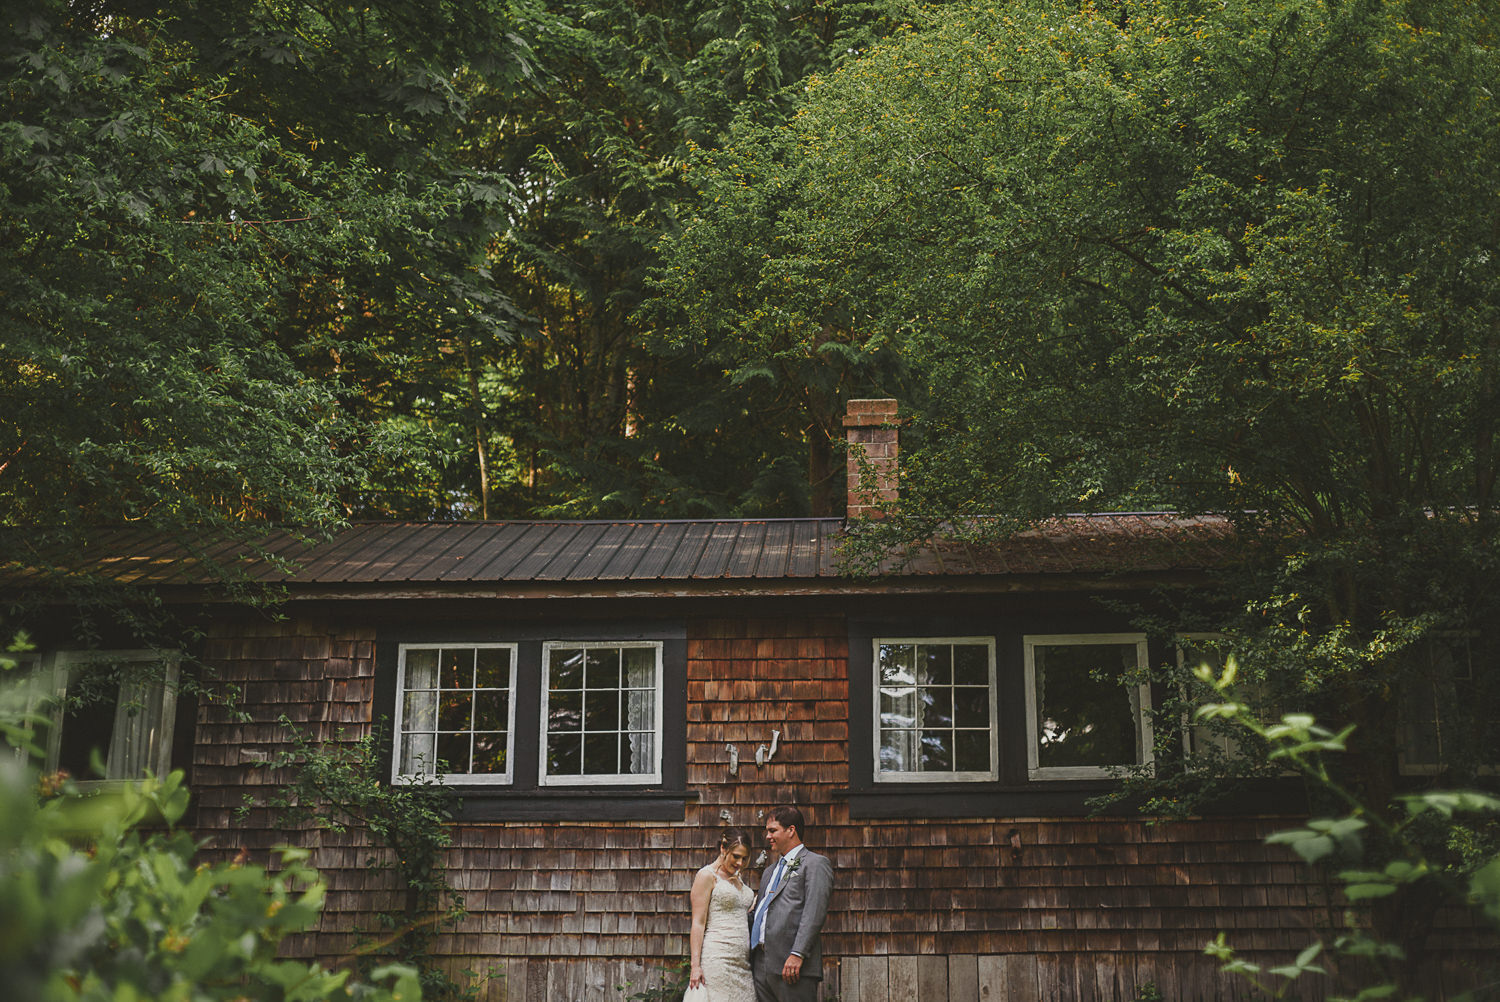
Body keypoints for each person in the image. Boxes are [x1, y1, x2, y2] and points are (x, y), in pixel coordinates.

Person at [749, 806, 834, 1002]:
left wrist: (798, 953)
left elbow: (814, 912)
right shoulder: (770, 871)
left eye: (773, 830)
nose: (767, 836)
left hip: (793, 965)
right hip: (762, 964)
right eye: (767, 831)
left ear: (791, 830)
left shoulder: (814, 864)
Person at [689, 828, 757, 1002]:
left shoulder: (737, 877)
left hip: (742, 962)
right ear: (723, 849)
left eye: (744, 858)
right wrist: (695, 966)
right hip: (718, 958)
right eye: (736, 856)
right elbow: (698, 922)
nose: (740, 863)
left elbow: (737, 912)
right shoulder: (706, 876)